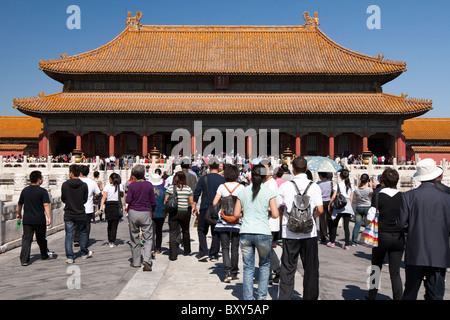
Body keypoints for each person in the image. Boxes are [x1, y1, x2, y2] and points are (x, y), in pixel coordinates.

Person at [397, 158, 450, 300]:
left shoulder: (408, 196)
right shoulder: (447, 198)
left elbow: (401, 224)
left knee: (410, 293)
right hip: (439, 253)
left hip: (416, 250)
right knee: (436, 295)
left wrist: (414, 229)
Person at [276, 157, 324, 300]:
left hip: (290, 232)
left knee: (288, 268)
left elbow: (278, 207)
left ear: (293, 169)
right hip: (309, 234)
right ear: (307, 169)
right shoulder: (315, 186)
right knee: (311, 268)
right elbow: (320, 210)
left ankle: (285, 297)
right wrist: (311, 217)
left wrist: (284, 220)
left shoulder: (285, 186)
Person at [233, 164, 279, 300]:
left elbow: (236, 213)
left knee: (248, 267)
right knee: (264, 266)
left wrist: (247, 214)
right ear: (265, 176)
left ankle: (248, 298)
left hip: (246, 231)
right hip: (263, 232)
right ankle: (262, 297)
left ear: (251, 176)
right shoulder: (269, 192)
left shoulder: (242, 192)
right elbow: (276, 214)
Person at [365, 168, 404, 300]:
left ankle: (371, 296)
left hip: (381, 235)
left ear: (383, 181)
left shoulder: (378, 195)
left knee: (376, 267)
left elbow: (370, 217)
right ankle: (398, 297)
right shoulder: (403, 197)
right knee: (395, 272)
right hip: (398, 237)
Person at [212, 165, 245, 283]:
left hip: (224, 221)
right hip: (237, 221)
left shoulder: (222, 187)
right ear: (236, 175)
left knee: (225, 247)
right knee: (235, 248)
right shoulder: (241, 187)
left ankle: (227, 272)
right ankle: (235, 271)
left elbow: (215, 202)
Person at [17, 171, 53, 266]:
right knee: (41, 238)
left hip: (27, 219)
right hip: (39, 219)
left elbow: (20, 204)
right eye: (42, 177)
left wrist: (18, 214)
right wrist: (49, 217)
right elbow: (46, 205)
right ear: (38, 180)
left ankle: (24, 260)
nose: (42, 179)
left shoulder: (25, 190)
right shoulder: (43, 191)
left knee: (26, 239)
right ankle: (44, 254)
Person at [193, 158, 226, 262]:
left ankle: (203, 252)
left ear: (209, 167)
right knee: (216, 231)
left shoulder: (204, 178)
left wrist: (194, 206)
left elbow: (197, 192)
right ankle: (214, 254)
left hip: (204, 207)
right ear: (218, 167)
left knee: (202, 230)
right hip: (218, 208)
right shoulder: (222, 179)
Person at [125, 165, 156, 271]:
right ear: (143, 174)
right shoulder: (148, 185)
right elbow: (153, 200)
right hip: (145, 212)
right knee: (147, 237)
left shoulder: (132, 185)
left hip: (133, 212)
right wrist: (153, 210)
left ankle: (136, 261)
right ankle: (147, 259)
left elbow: (128, 200)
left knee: (134, 237)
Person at [61, 164, 91, 263]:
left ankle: (70, 256)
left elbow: (63, 199)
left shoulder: (65, 185)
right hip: (81, 212)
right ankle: (84, 253)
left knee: (69, 235)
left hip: (69, 213)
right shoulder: (83, 185)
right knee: (83, 233)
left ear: (71, 173)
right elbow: (84, 200)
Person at [164, 171, 195, 261]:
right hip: (184, 212)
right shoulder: (188, 189)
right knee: (185, 231)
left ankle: (173, 255)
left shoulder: (170, 188)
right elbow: (191, 202)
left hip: (173, 213)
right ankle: (187, 250)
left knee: (173, 232)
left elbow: (165, 201)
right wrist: (193, 209)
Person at [74, 165, 101, 247]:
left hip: (77, 206)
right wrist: (92, 195)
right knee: (87, 225)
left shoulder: (76, 181)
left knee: (77, 224)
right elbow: (98, 193)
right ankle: (85, 240)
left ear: (80, 172)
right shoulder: (92, 182)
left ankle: (76, 239)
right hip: (88, 207)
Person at [328, 169, 354, 250]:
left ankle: (332, 242)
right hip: (348, 207)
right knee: (346, 226)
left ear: (341, 176)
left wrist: (330, 204)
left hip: (339, 207)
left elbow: (334, 196)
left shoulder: (338, 185)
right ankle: (347, 244)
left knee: (334, 224)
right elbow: (351, 198)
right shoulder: (351, 186)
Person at [99, 173, 124, 249]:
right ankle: (112, 240)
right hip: (116, 205)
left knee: (109, 224)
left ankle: (110, 240)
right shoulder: (120, 186)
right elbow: (122, 195)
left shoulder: (107, 187)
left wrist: (101, 208)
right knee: (115, 225)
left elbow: (103, 198)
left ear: (111, 179)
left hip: (109, 206)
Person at [351, 173, 373, 246]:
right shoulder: (369, 189)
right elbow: (372, 195)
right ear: (367, 181)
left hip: (358, 207)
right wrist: (371, 185)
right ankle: (366, 240)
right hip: (367, 207)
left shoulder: (356, 188)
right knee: (367, 225)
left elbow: (356, 189)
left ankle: (354, 241)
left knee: (357, 225)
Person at [150, 173, 166, 254]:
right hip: (161, 212)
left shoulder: (149, 189)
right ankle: (158, 248)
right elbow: (165, 202)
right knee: (159, 231)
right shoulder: (164, 190)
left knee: (151, 232)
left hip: (151, 212)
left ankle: (152, 248)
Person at [317, 172, 333, 244]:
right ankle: (331, 235)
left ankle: (323, 236)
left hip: (321, 202)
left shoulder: (318, 183)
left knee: (322, 219)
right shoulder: (331, 183)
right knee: (329, 219)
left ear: (320, 176)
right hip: (329, 202)